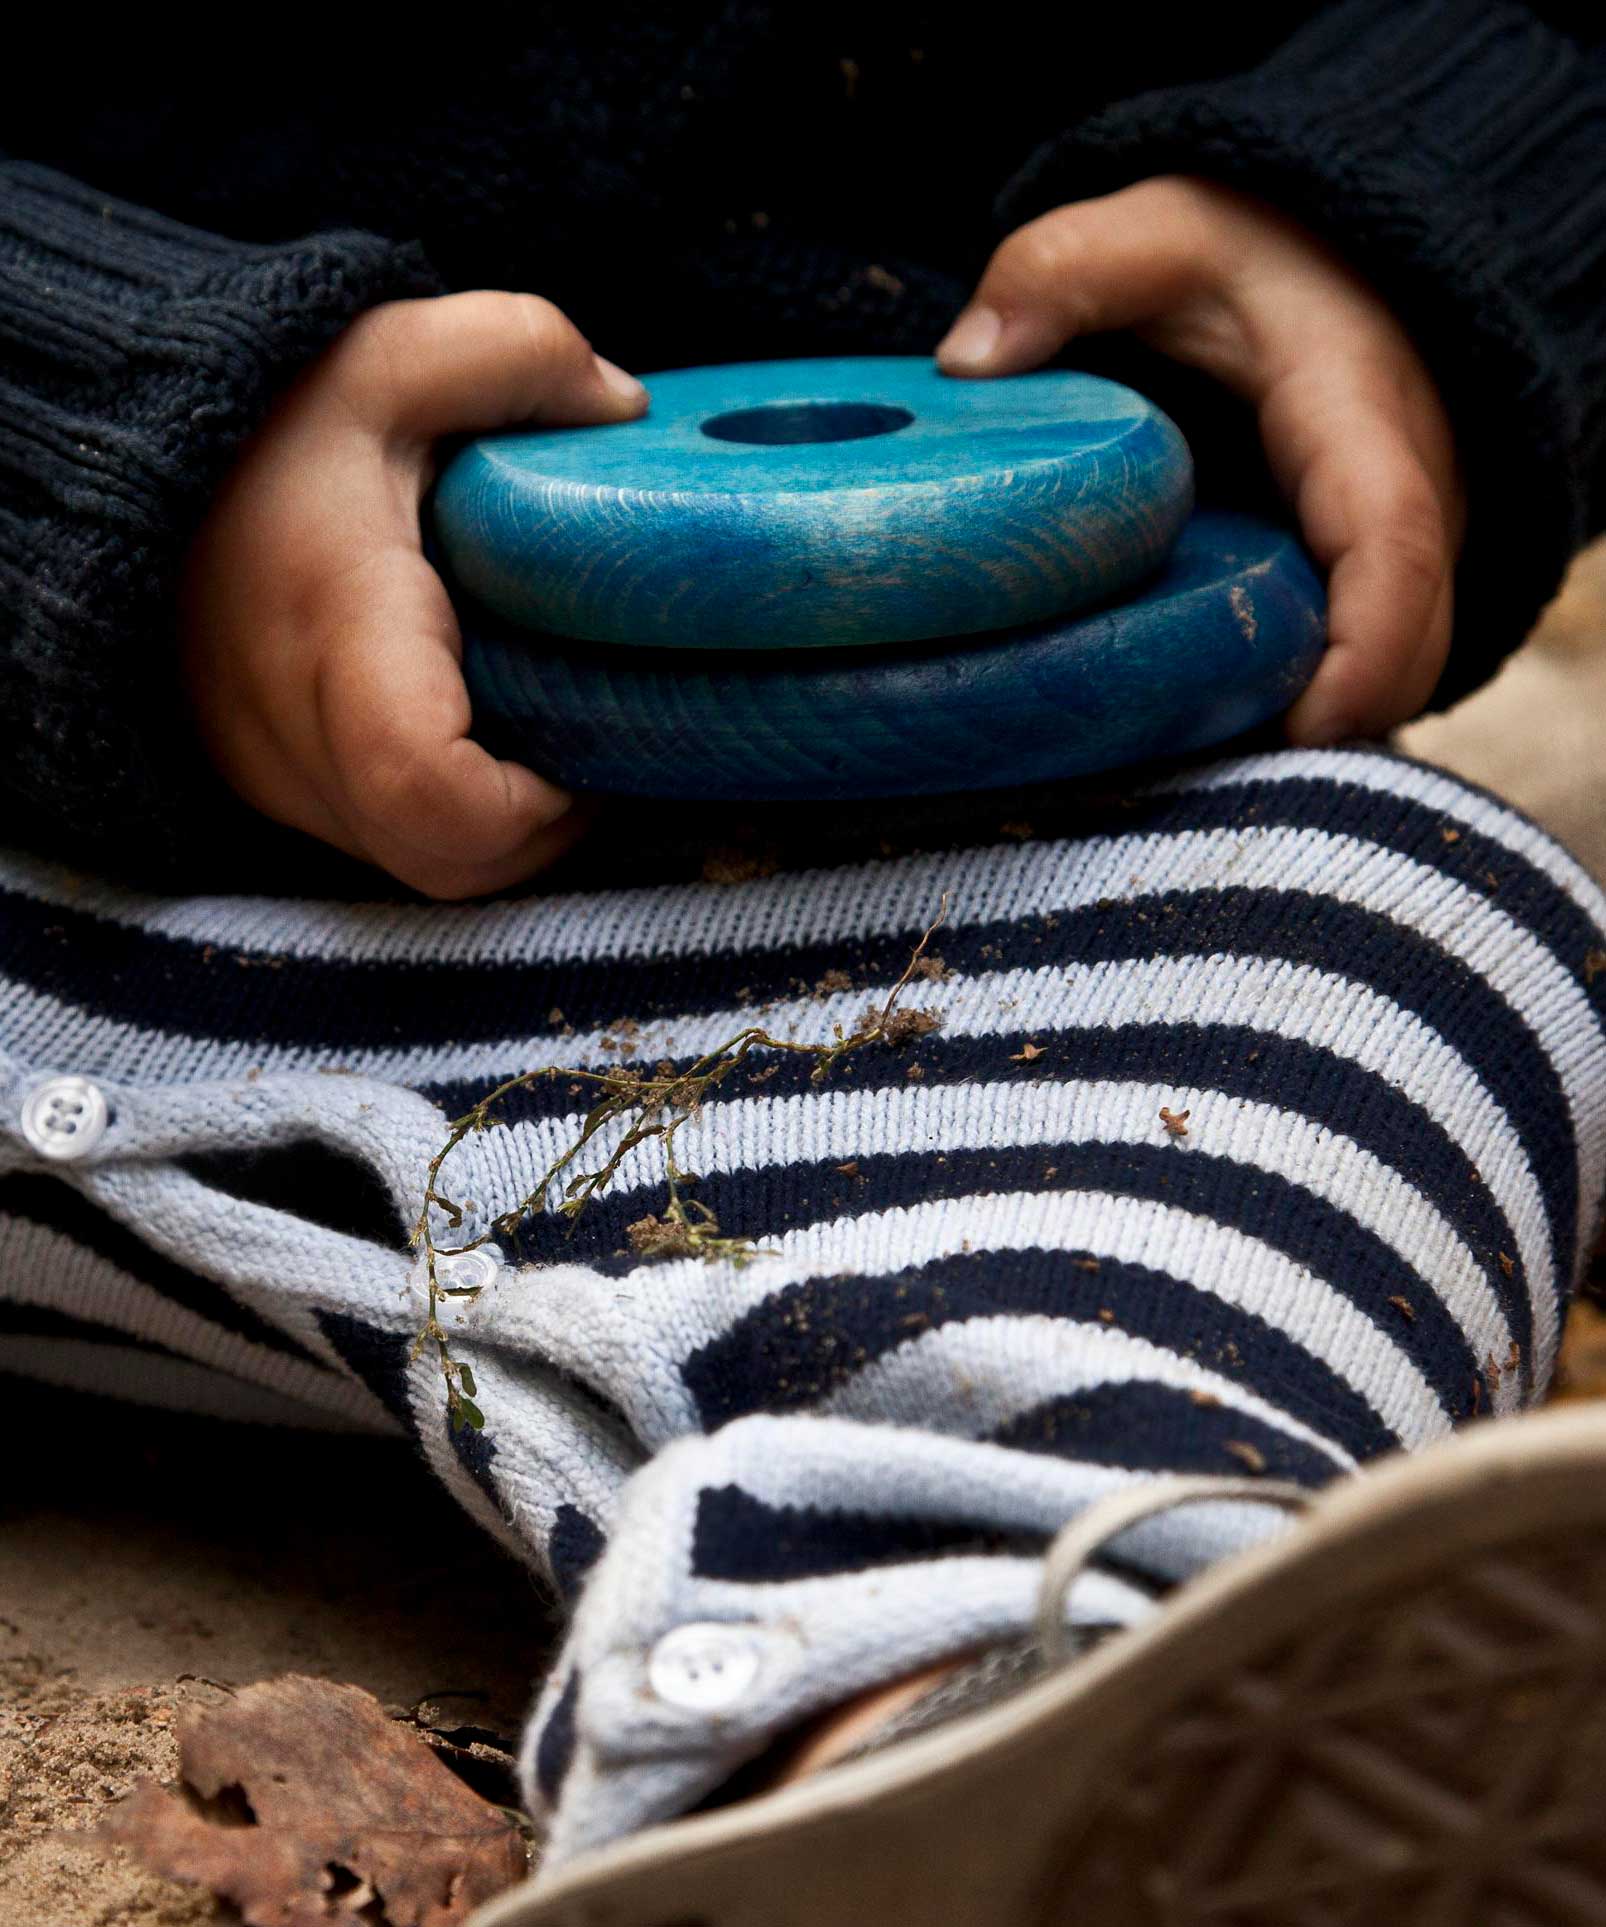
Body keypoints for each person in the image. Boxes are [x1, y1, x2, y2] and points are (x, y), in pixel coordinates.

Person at [3, 7, 1606, 1918]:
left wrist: (1401, 208)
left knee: (1402, 919)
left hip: (984, 840)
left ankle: (971, 1715)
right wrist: (101, 441)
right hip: (86, 812)